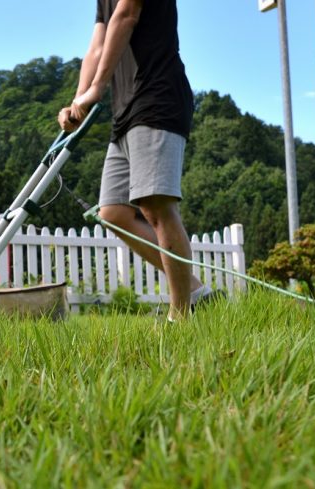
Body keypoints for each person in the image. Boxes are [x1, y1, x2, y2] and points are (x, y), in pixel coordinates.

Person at [58, 0, 213, 321]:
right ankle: (198, 293)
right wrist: (77, 100)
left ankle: (180, 316)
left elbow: (127, 16)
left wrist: (96, 89)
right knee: (113, 212)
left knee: (156, 205)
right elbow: (96, 48)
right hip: (125, 109)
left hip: (158, 97)